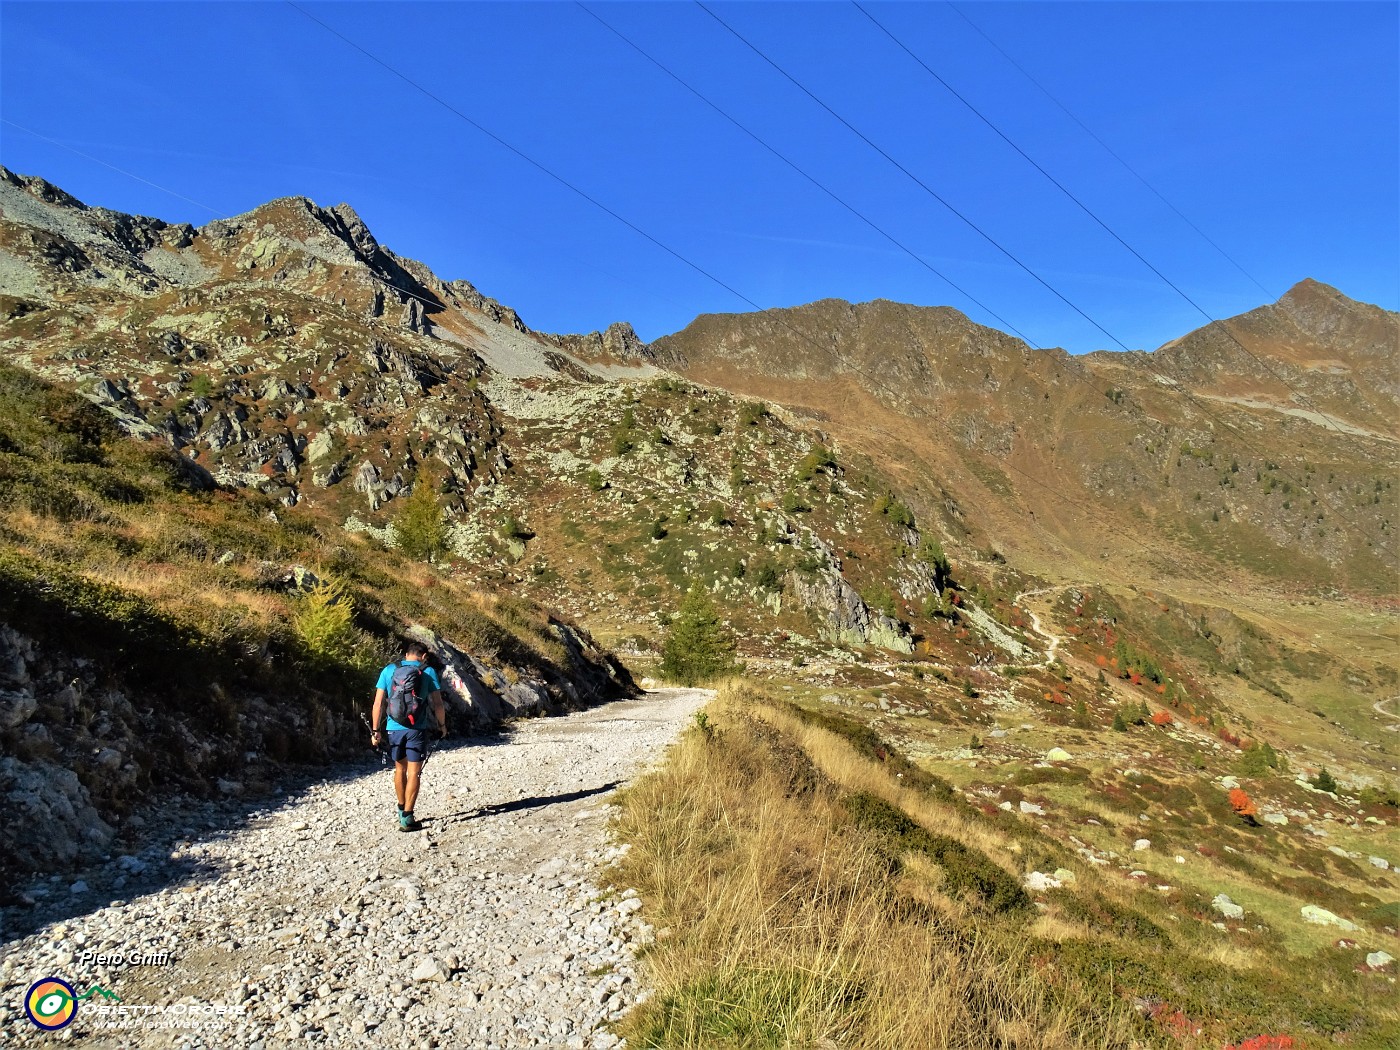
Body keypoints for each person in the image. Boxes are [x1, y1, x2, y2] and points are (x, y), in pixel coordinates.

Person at [370, 641, 446, 831]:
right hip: (416, 729)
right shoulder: (427, 671)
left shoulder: (389, 670)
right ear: (424, 656)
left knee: (399, 769)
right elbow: (437, 704)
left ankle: (401, 807)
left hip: (393, 728)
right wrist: (442, 726)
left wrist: (375, 730)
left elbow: (378, 703)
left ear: (406, 655)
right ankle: (408, 817)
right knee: (414, 772)